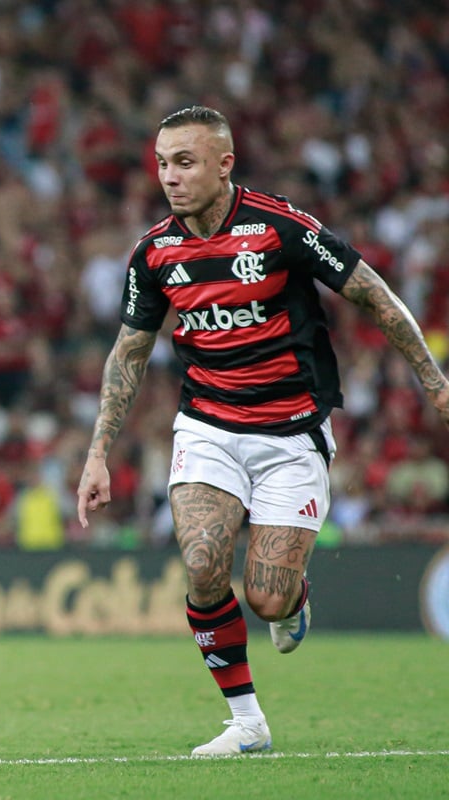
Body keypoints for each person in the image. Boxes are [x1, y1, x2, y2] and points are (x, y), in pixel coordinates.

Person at [75, 105, 449, 756]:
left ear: (225, 164)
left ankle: (292, 601)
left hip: (291, 435)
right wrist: (97, 452)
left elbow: (374, 296)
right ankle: (246, 722)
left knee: (268, 599)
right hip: (208, 427)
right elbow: (129, 353)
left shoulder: (281, 229)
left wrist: (435, 380)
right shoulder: (155, 253)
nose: (170, 176)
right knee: (200, 563)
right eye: (162, 163)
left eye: (185, 162)